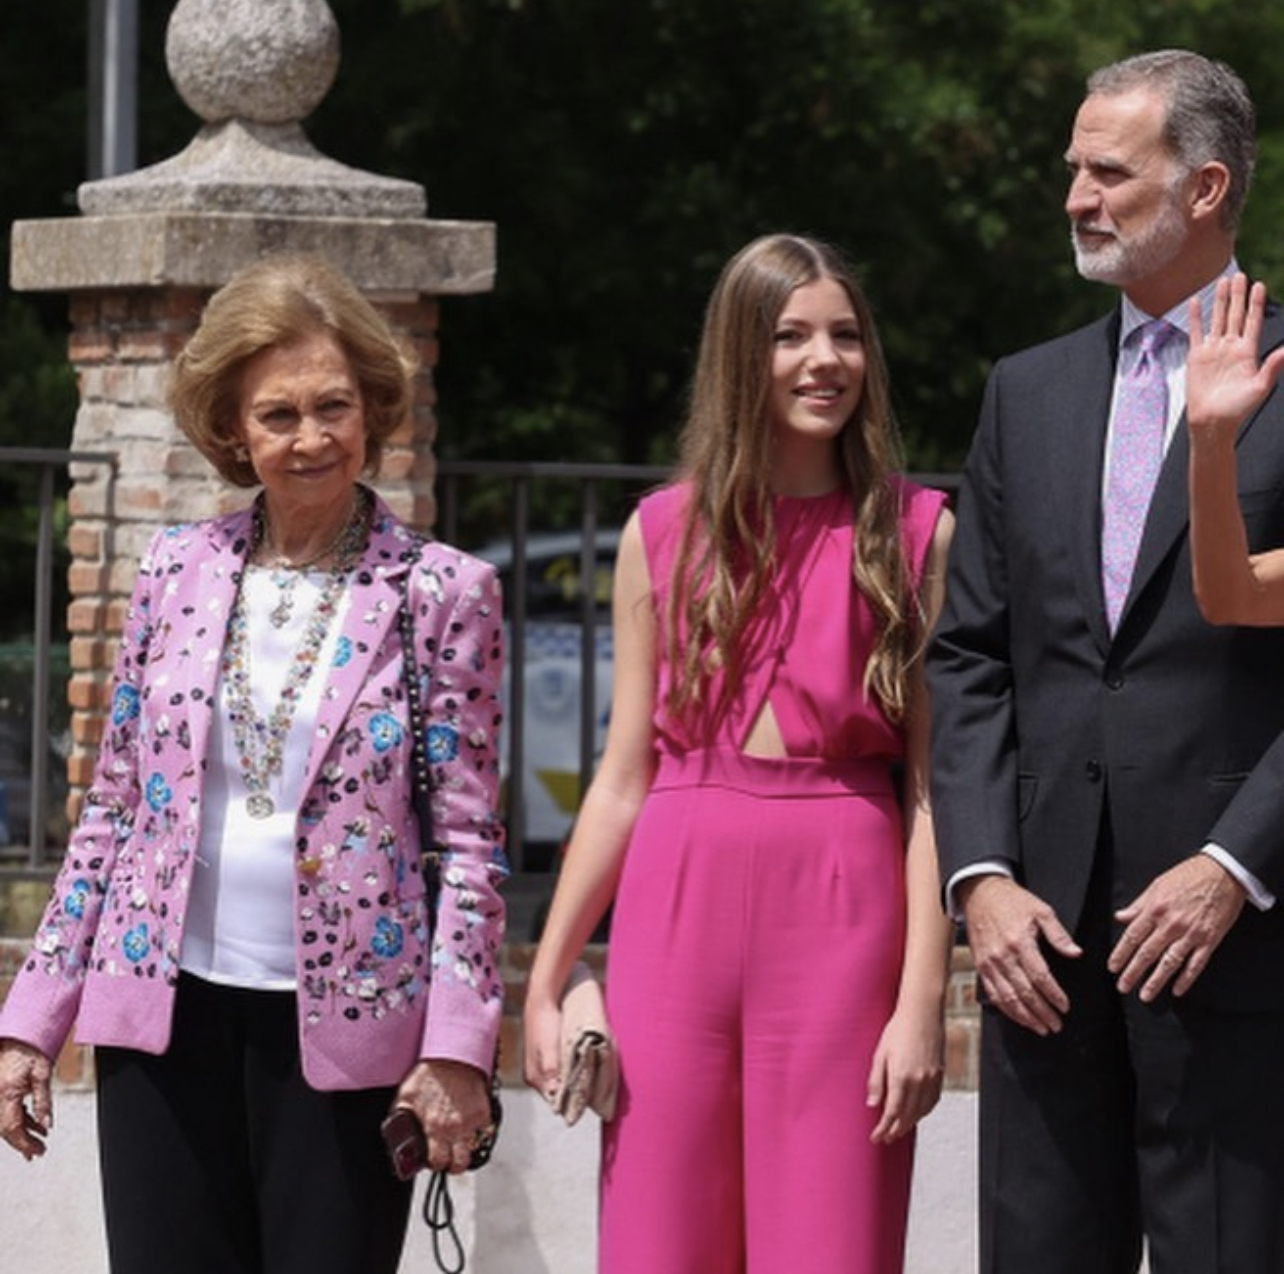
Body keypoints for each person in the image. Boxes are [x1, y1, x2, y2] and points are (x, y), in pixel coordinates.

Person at [0, 253, 507, 1274]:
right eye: (279, 413)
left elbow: (467, 843)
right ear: (233, 428)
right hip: (164, 1021)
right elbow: (112, 809)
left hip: (349, 1040)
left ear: (373, 410)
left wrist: (456, 1045)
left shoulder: (443, 592)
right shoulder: (174, 571)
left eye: (335, 406)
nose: (312, 437)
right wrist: (31, 1020)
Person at [523, 232, 955, 1274]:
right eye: (792, 335)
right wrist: (543, 978)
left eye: (846, 335)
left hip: (847, 913)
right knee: (660, 1240)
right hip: (676, 913)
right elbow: (622, 776)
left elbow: (937, 792)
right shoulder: (660, 533)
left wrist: (923, 1003)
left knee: (833, 1243)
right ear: (739, 355)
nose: (826, 360)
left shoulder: (917, 533)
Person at [928, 50, 1284, 1274]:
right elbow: (969, 654)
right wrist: (980, 876)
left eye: (1107, 171)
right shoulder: (1024, 393)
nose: (1074, 194)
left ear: (1204, 188)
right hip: (1044, 945)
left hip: (1237, 943)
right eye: (1071, 167)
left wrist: (1238, 861)